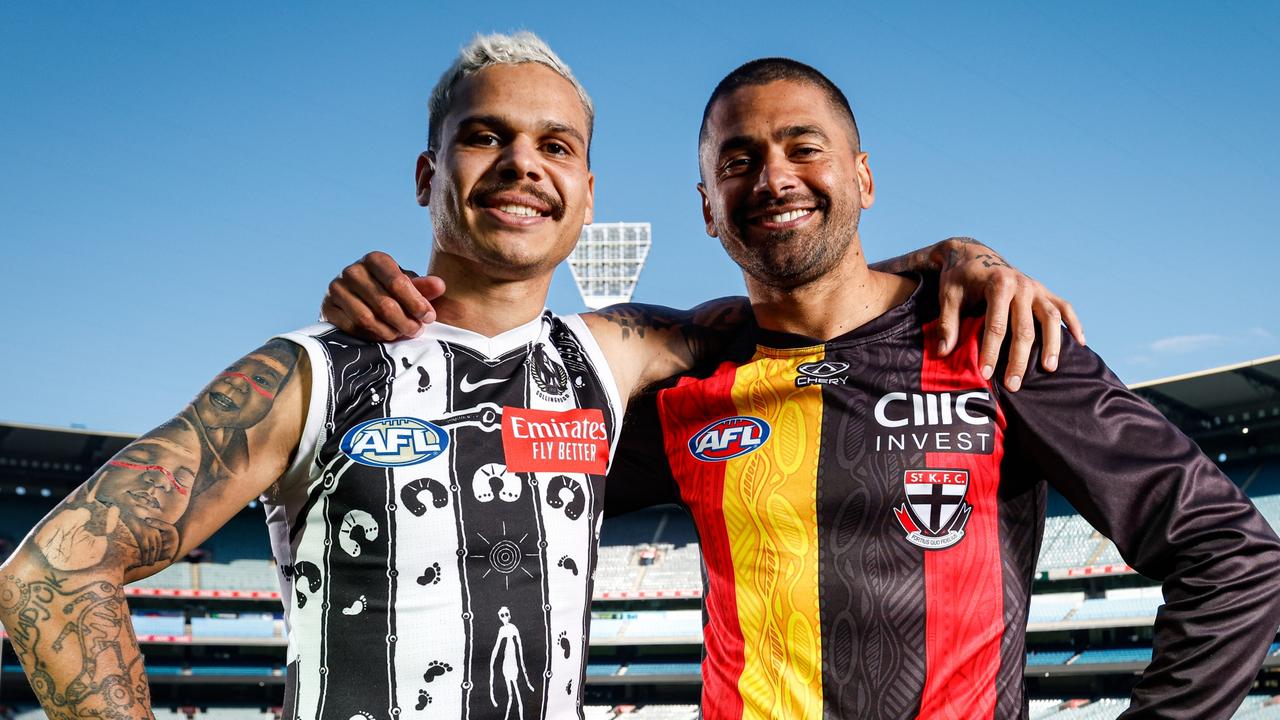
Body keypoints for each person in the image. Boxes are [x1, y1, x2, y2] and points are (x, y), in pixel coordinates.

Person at [0, 33, 1074, 720]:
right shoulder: (311, 372)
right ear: (430, 175)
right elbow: (48, 574)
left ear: (587, 191)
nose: (523, 163)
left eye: (555, 146)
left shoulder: (618, 355)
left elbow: (820, 297)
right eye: (486, 137)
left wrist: (944, 260)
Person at [327, 54, 1280, 720]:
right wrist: (407, 313)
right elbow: (487, 442)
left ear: (862, 175)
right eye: (736, 161)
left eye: (804, 147)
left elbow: (1236, 558)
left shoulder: (993, 336)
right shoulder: (683, 373)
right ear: (706, 208)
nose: (773, 177)